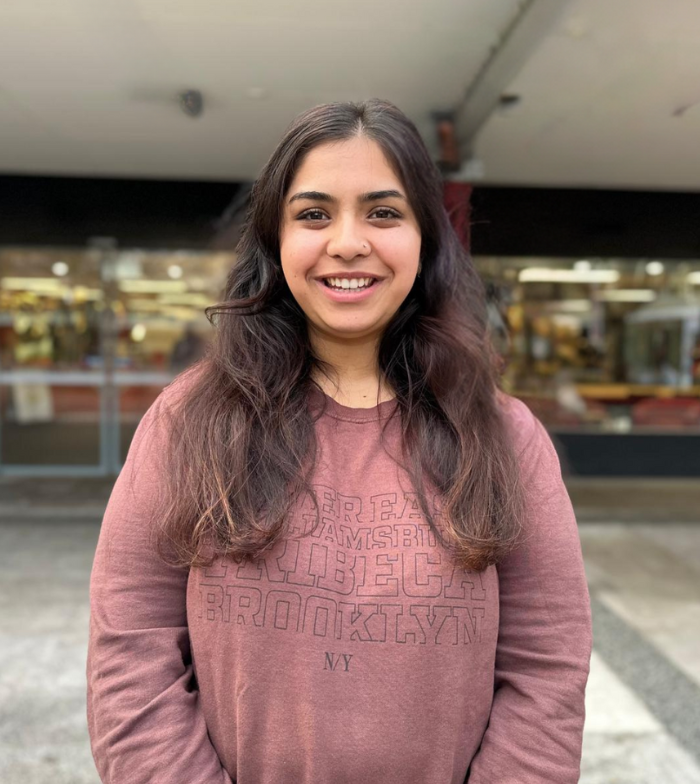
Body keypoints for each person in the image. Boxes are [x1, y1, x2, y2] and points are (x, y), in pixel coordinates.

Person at [86, 99, 592, 784]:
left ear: (425, 239)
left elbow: (546, 668)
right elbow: (130, 655)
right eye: (314, 214)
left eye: (383, 213)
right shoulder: (189, 422)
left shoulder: (505, 437)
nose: (348, 242)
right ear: (275, 239)